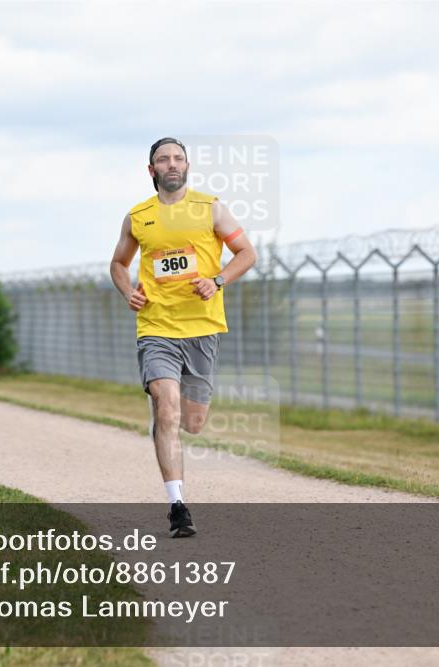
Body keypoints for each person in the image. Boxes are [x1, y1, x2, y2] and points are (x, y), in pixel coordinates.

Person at [110, 137, 257, 537]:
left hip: (202, 330)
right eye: (164, 159)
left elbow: (247, 253)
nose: (172, 164)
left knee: (192, 422)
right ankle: (178, 506)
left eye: (178, 158)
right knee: (167, 407)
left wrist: (217, 280)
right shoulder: (138, 217)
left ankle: (165, 417)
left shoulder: (210, 208)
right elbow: (118, 264)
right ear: (152, 170)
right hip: (156, 328)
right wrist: (128, 291)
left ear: (187, 166)